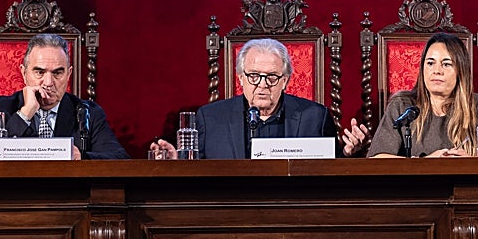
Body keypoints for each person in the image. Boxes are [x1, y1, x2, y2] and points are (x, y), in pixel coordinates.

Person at [150, 37, 369, 159]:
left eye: (272, 77)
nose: (262, 85)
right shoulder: (211, 118)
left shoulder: (314, 117)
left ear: (285, 80)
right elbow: (195, 168)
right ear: (240, 78)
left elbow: (331, 168)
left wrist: (348, 152)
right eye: (254, 76)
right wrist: (176, 161)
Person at [0, 33, 129, 159]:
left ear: (68, 74)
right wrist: (25, 114)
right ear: (23, 73)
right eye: (39, 72)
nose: (48, 82)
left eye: (57, 73)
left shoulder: (89, 112)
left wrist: (81, 157)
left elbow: (119, 158)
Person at [367, 31, 478, 158]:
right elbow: (377, 158)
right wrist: (425, 163)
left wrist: (471, 161)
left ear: (460, 71)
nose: (437, 71)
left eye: (446, 64)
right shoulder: (403, 106)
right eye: (430, 63)